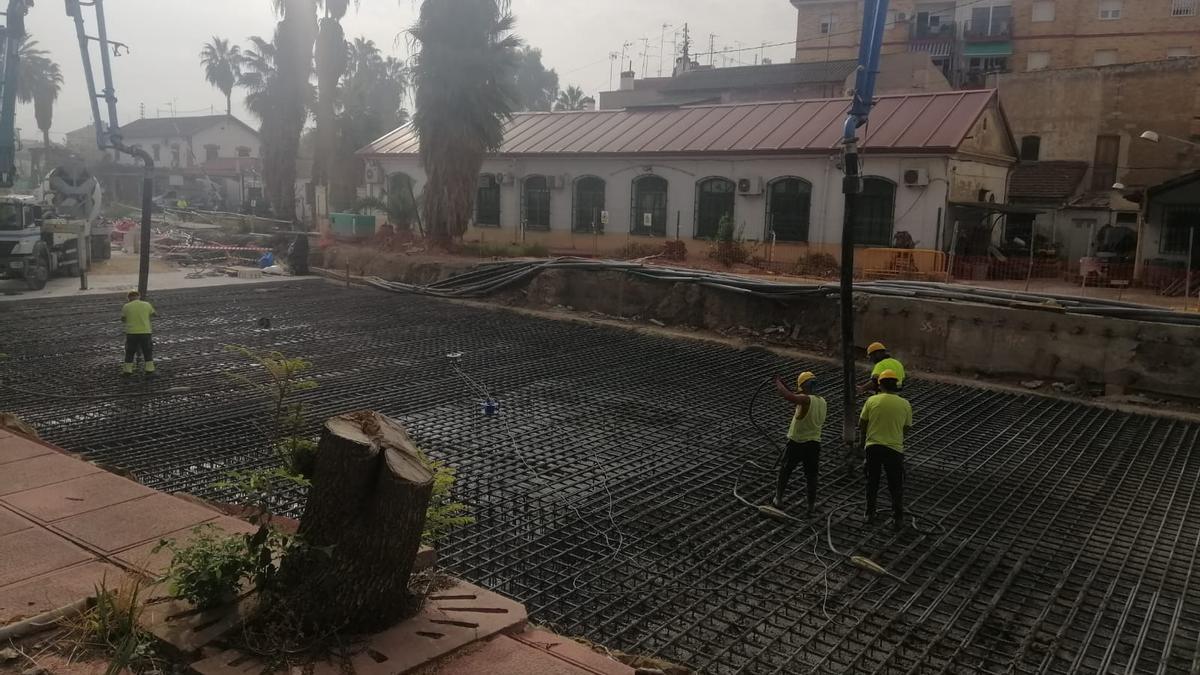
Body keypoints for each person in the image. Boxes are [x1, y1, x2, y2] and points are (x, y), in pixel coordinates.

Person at [859, 370, 912, 531]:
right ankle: (898, 518)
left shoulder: (871, 400)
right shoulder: (905, 404)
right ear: (896, 385)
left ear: (880, 385)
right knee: (895, 485)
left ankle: (869, 514)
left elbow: (862, 424)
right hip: (894, 449)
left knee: (872, 482)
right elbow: (906, 428)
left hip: (873, 447)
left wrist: (864, 442)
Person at [772, 371, 827, 514]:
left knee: (785, 470)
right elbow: (794, 396)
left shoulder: (806, 400)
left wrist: (777, 382)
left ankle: (778, 498)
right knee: (811, 475)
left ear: (803, 386)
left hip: (797, 442)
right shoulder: (822, 401)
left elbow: (789, 396)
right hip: (814, 444)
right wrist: (784, 385)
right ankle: (810, 505)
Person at [120, 290, 157, 376]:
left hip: (131, 333)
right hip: (145, 332)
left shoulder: (126, 306)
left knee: (130, 352)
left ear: (129, 298)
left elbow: (123, 319)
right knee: (147, 351)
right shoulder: (147, 304)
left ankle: (127, 371)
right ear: (139, 296)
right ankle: (149, 370)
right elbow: (154, 314)